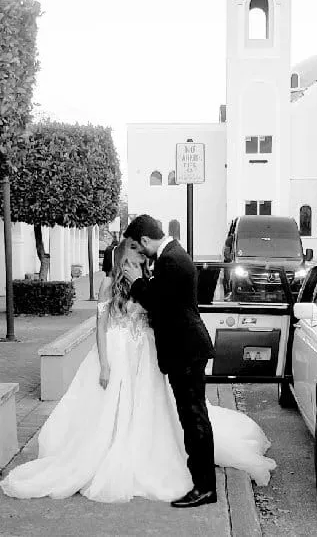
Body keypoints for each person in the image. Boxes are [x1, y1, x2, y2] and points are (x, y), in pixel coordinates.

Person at [1, 236, 275, 504]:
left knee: (153, 407)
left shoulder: (147, 284)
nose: (137, 264)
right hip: (118, 354)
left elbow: (162, 313)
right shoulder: (108, 285)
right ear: (121, 261)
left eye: (140, 260)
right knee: (116, 410)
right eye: (132, 260)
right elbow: (100, 326)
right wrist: (105, 364)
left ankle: (163, 460)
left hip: (145, 354)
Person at [122, 214, 216, 508]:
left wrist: (138, 282)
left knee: (194, 418)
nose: (141, 252)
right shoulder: (173, 255)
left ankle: (205, 487)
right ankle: (202, 481)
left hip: (185, 351)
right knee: (192, 416)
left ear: (146, 240)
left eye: (140, 246)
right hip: (186, 349)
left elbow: (157, 302)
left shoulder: (171, 260)